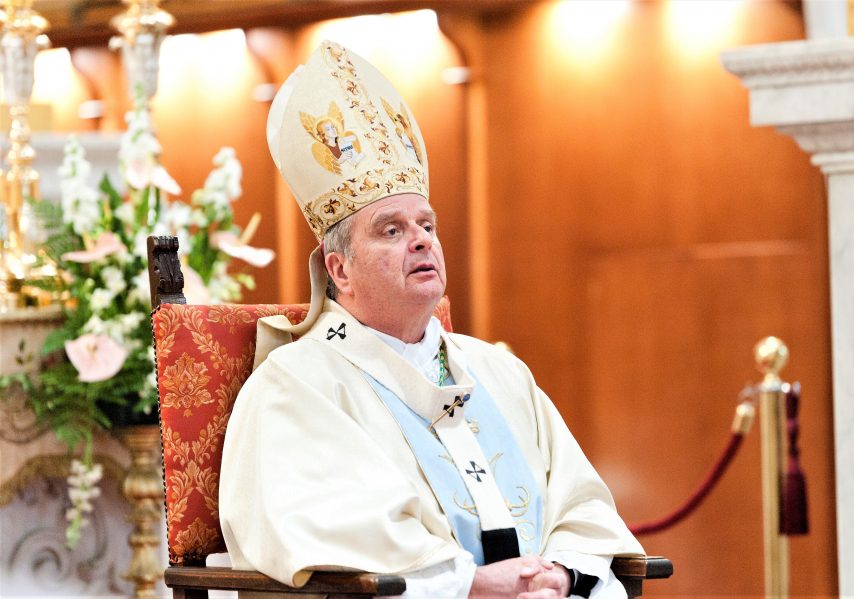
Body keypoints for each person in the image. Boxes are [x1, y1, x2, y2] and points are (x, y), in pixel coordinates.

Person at [219, 40, 644, 599]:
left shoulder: (499, 371)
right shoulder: (296, 385)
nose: (421, 240)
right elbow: (324, 527)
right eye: (391, 230)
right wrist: (471, 585)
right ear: (339, 269)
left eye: (427, 225)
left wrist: (561, 574)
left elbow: (580, 504)